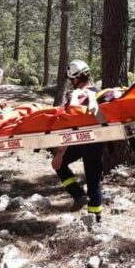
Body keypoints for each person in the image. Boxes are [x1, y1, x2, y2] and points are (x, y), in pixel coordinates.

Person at [51, 60, 106, 221]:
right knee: (94, 181)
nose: (71, 83)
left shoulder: (76, 97)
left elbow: (68, 125)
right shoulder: (100, 94)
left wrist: (60, 153)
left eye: (71, 80)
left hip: (79, 142)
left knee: (58, 164)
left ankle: (78, 194)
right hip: (97, 143)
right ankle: (96, 219)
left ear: (76, 78)